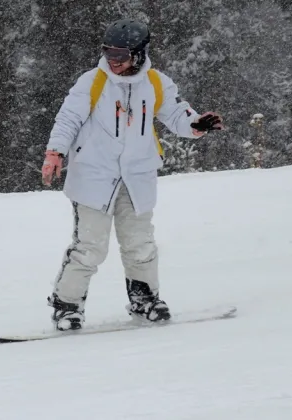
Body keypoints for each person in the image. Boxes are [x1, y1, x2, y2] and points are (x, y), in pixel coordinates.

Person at [40, 19, 224, 331]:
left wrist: (196, 125)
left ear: (138, 54)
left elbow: (177, 114)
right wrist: (55, 152)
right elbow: (68, 119)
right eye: (108, 52)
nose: (114, 60)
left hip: (137, 177)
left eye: (121, 54)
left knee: (140, 244)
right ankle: (67, 306)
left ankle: (145, 300)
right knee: (90, 247)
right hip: (94, 177)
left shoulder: (155, 83)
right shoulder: (92, 82)